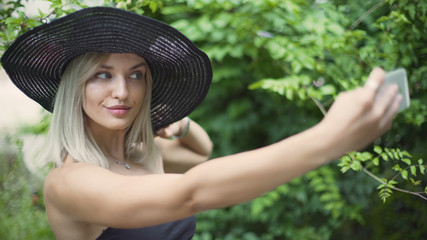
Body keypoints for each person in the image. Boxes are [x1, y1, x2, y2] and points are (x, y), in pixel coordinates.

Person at [1, 6, 401, 240]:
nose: (123, 91)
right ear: (75, 88)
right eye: (102, 75)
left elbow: (201, 154)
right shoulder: (70, 182)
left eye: (136, 74)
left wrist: (184, 125)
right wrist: (328, 139)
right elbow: (189, 194)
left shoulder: (142, 154)